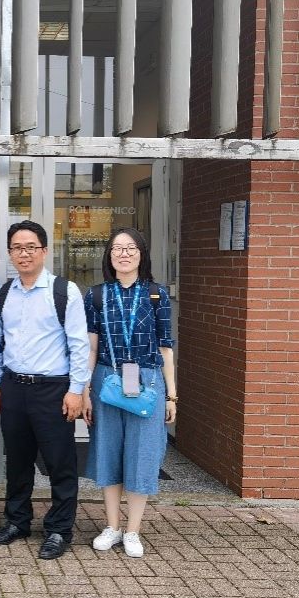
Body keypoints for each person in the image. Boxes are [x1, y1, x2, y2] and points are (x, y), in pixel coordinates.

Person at [0, 220, 90, 560]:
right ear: (10, 253)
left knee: (60, 462)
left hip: (53, 390)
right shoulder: (4, 294)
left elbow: (79, 345)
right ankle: (17, 521)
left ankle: (59, 529)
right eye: (17, 248)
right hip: (13, 387)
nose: (24, 253)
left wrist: (76, 390)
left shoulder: (64, 291)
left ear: (44, 251)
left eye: (31, 247)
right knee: (17, 461)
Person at [82, 227, 177, 559]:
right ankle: (112, 526)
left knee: (143, 454)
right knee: (108, 451)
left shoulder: (156, 294)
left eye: (130, 248)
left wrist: (172, 395)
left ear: (141, 254)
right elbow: (90, 348)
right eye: (117, 248)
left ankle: (133, 530)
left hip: (147, 381)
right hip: (106, 379)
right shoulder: (96, 295)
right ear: (109, 256)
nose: (124, 254)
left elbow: (166, 347)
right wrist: (84, 390)